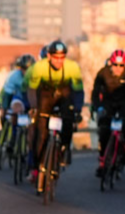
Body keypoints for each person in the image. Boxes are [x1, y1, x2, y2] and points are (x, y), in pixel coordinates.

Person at [24, 40, 85, 180]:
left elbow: (78, 91)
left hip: (64, 94)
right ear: (49, 57)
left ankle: (63, 149)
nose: (59, 61)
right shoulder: (39, 67)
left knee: (68, 121)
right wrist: (34, 107)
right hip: (45, 94)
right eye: (55, 57)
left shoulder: (72, 67)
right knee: (41, 133)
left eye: (62, 57)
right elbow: (32, 90)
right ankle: (38, 164)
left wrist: (77, 109)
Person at [90, 49, 125, 171]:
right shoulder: (103, 74)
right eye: (115, 65)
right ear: (111, 64)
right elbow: (95, 93)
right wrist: (98, 107)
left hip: (124, 104)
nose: (118, 68)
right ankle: (103, 160)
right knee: (104, 131)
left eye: (121, 65)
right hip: (108, 104)